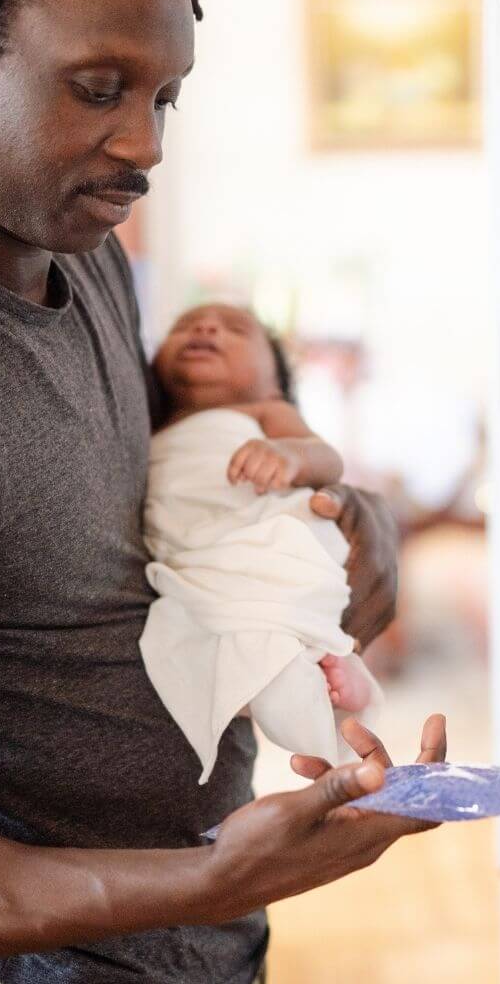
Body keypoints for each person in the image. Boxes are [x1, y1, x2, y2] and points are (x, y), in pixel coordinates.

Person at [0, 0, 446, 982]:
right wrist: (202, 878)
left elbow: (157, 477)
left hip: (206, 948)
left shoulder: (77, 252)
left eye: (164, 98)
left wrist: (353, 511)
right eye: (98, 90)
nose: (145, 145)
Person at [141, 302, 381, 784]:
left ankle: (328, 668)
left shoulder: (264, 410)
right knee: (200, 627)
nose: (205, 328)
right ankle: (301, 680)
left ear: (274, 380)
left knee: (275, 589)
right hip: (193, 550)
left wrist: (288, 457)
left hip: (257, 522)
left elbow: (325, 459)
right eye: (184, 326)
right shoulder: (153, 425)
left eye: (234, 330)